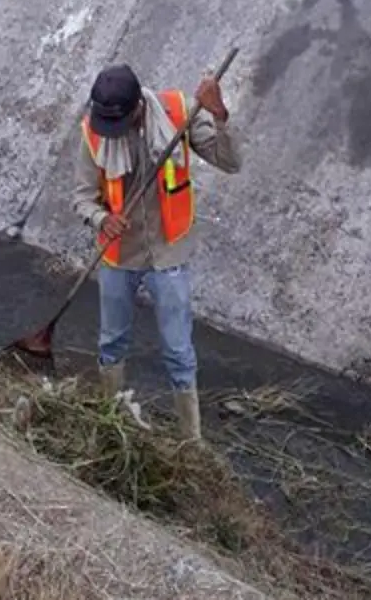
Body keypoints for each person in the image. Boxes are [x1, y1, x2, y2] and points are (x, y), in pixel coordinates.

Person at [70, 63, 242, 440]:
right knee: (111, 341)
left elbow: (231, 162)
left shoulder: (179, 113)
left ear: (137, 107)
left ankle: (191, 443)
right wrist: (101, 219)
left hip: (169, 254)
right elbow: (82, 198)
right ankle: (108, 420)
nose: (112, 131)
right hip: (119, 255)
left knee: (179, 350)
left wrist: (219, 114)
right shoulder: (93, 133)